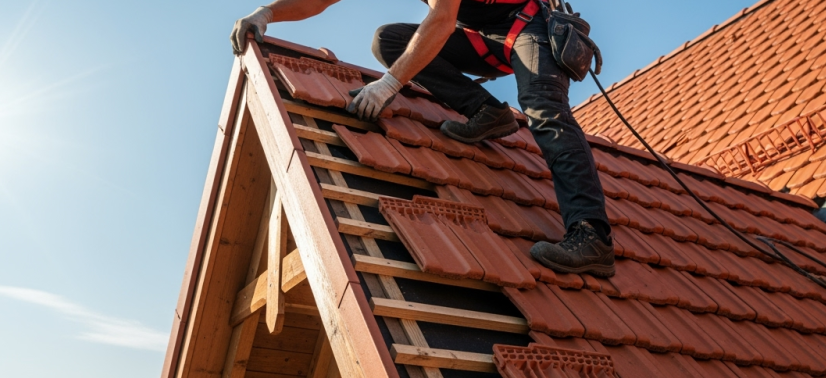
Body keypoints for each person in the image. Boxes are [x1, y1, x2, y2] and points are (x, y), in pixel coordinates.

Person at [232, 0, 615, 276]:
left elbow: (443, 20)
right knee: (391, 41)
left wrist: (388, 86)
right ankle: (488, 113)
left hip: (529, 28)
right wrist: (266, 13)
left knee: (544, 113)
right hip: (483, 38)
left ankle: (590, 235)